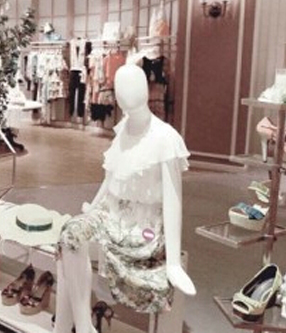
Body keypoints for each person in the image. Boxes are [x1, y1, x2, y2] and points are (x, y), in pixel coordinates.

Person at [54, 64, 195, 333]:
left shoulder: (165, 138)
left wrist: (174, 263)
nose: (127, 93)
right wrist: (92, 208)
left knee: (67, 248)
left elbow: (173, 200)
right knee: (69, 234)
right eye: (121, 87)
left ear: (146, 89)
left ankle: (66, 328)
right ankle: (82, 327)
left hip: (142, 227)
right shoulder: (122, 131)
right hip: (110, 213)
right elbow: (110, 179)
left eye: (133, 85)